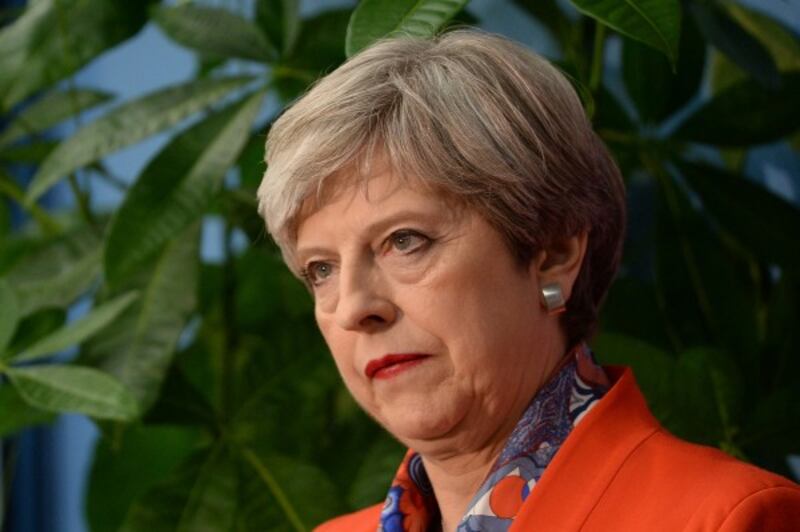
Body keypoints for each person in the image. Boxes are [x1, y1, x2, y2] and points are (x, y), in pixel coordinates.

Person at [257, 29, 800, 532]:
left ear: (554, 254)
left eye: (404, 241)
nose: (353, 307)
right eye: (320, 269)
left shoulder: (726, 518)